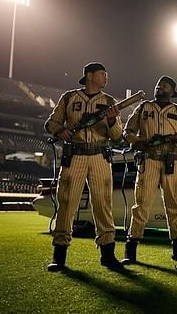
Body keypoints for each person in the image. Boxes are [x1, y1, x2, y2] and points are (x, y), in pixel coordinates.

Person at [44, 62, 123, 271]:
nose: (106, 77)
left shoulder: (109, 101)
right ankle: (59, 255)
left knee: (103, 204)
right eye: (102, 74)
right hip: (75, 154)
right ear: (89, 76)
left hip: (99, 155)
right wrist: (60, 131)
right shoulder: (69, 98)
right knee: (67, 203)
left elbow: (116, 136)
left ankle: (107, 254)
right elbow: (50, 123)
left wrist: (113, 119)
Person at [121, 75, 177, 264]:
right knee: (141, 204)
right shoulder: (143, 107)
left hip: (171, 161)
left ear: (172, 91)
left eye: (164, 85)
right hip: (149, 160)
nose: (159, 87)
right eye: (158, 84)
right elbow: (127, 131)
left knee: (174, 205)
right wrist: (137, 142)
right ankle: (131, 249)